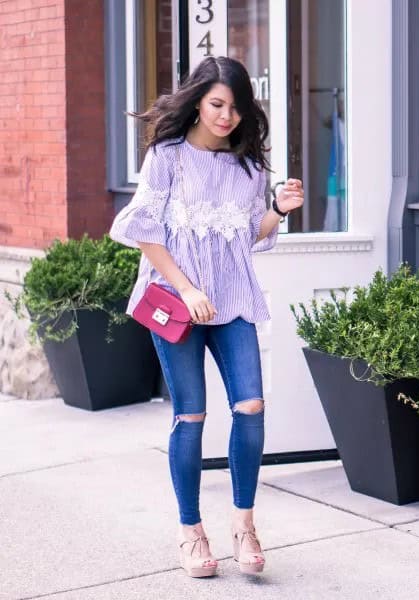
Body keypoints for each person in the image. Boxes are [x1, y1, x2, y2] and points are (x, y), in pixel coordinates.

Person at [109, 56, 304, 578]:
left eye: (236, 108)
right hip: (177, 303)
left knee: (251, 405)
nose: (227, 116)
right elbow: (146, 232)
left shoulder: (248, 166)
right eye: (218, 104)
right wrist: (188, 288)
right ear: (197, 100)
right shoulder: (167, 157)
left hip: (232, 299)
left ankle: (244, 525)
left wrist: (279, 210)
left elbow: (246, 234)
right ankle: (191, 531)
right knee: (190, 416)